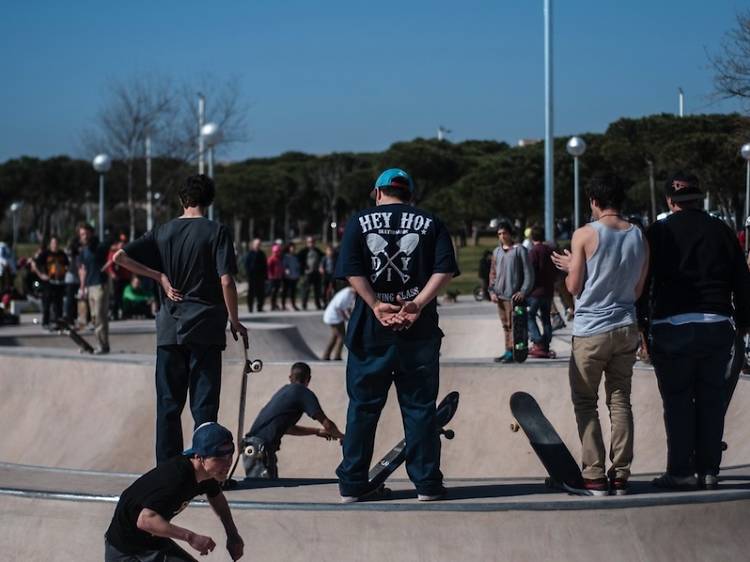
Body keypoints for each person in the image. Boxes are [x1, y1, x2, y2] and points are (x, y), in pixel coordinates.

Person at [335, 168, 459, 503]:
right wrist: (416, 304)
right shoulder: (431, 223)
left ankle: (352, 482)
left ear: (378, 193)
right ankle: (427, 484)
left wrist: (376, 304)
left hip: (370, 333)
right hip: (417, 333)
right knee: (419, 408)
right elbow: (445, 269)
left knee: (363, 408)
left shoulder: (358, 223)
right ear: (410, 196)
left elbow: (352, 270)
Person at [113, 174, 248, 463]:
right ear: (209, 201)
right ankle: (206, 470)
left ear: (181, 200)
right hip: (206, 328)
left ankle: (168, 471)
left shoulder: (162, 231)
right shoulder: (216, 231)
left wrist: (159, 276)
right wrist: (234, 320)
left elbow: (119, 258)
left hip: (169, 329)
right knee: (204, 406)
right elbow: (226, 280)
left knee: (168, 405)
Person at [642, 172, 750, 491]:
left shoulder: (657, 232)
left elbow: (643, 282)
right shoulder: (722, 231)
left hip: (671, 327)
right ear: (699, 198)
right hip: (716, 325)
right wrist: (744, 323)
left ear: (669, 201)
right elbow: (743, 281)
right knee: (711, 401)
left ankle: (680, 472)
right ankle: (709, 471)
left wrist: (641, 325)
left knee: (677, 402)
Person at [552, 173, 649, 496]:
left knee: (585, 401)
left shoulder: (585, 235)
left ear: (594, 201)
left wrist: (571, 267)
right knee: (620, 400)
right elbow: (637, 290)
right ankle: (620, 474)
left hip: (592, 330)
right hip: (625, 327)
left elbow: (574, 287)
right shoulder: (639, 236)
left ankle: (593, 475)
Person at [104, 422, 244, 561]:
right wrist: (191, 537)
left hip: (154, 542)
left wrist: (232, 534)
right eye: (218, 458)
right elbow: (145, 520)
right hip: (126, 551)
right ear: (199, 457)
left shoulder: (208, 474)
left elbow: (217, 498)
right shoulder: (176, 479)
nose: (227, 464)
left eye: (229, 455)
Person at [243, 362, 344, 479]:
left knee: (269, 490)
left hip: (253, 446)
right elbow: (327, 423)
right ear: (308, 379)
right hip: (261, 448)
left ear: (290, 378)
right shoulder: (303, 393)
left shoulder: (284, 391)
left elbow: (287, 428)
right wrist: (343, 437)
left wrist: (317, 431)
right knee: (263, 491)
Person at [488, 222, 534, 363]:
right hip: (500, 296)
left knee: (515, 325)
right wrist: (492, 291)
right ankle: (508, 350)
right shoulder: (497, 252)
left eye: (504, 233)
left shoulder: (519, 250)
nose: (502, 236)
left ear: (510, 233)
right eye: (499, 234)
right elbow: (493, 273)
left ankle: (515, 351)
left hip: (514, 297)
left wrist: (523, 291)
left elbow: (529, 273)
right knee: (505, 325)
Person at [77, 223, 111, 354]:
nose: (83, 237)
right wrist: (82, 287)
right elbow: (83, 270)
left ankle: (103, 346)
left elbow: (111, 247)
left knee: (99, 317)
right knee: (94, 318)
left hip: (100, 285)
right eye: (81, 235)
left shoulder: (99, 246)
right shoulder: (84, 251)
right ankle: (101, 344)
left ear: (91, 233)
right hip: (90, 286)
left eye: (85, 234)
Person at [527, 227, 556, 358]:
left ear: (532, 238)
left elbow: (530, 271)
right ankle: (546, 342)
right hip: (548, 291)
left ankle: (538, 341)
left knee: (529, 316)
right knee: (546, 318)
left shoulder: (534, 251)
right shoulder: (550, 250)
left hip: (536, 291)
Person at [30, 235, 69, 328]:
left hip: (59, 282)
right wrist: (41, 275)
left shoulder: (62, 254)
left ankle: (59, 323)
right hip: (48, 283)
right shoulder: (45, 254)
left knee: (59, 304)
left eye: (56, 243)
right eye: (53, 243)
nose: (54, 245)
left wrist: (64, 271)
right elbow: (34, 263)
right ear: (50, 244)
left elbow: (67, 265)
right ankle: (45, 323)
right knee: (47, 303)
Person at [321, 284, 355, 360]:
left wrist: (350, 317)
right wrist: (346, 317)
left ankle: (326, 355)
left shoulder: (352, 294)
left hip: (337, 317)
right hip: (333, 317)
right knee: (342, 337)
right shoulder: (346, 293)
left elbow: (348, 307)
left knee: (335, 336)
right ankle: (337, 356)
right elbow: (339, 306)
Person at [106, 234, 132, 321]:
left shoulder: (126, 252)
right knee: (116, 297)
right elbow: (109, 265)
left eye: (124, 242)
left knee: (124, 296)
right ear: (117, 244)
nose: (123, 244)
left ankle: (124, 313)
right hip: (117, 279)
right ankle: (114, 313)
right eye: (121, 242)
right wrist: (112, 274)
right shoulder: (113, 253)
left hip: (126, 277)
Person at [297, 236, 324, 310]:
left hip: (316, 273)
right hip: (307, 274)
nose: (311, 243)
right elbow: (299, 260)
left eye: (312, 242)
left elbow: (323, 258)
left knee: (317, 290)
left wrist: (321, 267)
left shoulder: (317, 251)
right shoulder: (303, 251)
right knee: (306, 290)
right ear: (307, 243)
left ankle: (318, 304)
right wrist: (304, 268)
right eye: (309, 242)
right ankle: (304, 305)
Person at [243, 238, 267, 312]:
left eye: (259, 244)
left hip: (260, 276)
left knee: (261, 292)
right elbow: (246, 265)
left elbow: (265, 265)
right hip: (252, 276)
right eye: (256, 244)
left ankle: (260, 307)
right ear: (253, 245)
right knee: (251, 292)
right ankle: (250, 308)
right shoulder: (249, 254)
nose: (258, 245)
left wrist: (265, 275)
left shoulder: (262, 254)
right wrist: (248, 273)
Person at [282, 242, 301, 311]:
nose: (293, 249)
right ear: (289, 248)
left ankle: (293, 304)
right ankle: (284, 305)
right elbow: (284, 266)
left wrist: (298, 274)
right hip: (287, 277)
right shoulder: (286, 256)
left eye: (294, 248)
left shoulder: (296, 256)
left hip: (294, 276)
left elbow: (298, 266)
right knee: (286, 291)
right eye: (291, 247)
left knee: (293, 292)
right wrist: (286, 270)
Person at [266, 243, 284, 311]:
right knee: (273, 292)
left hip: (278, 277)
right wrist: (271, 275)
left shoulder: (279, 259)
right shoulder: (271, 259)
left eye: (278, 251)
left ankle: (275, 304)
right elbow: (268, 268)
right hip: (272, 278)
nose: (277, 253)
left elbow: (280, 267)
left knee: (276, 292)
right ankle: (272, 305)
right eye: (276, 252)